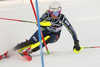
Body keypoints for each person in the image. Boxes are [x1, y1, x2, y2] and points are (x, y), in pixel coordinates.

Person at [0, 2, 81, 60]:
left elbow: (72, 30)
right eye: (51, 12)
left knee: (47, 39)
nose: (53, 15)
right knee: (30, 42)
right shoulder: (46, 15)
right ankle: (10, 52)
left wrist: (76, 43)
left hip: (54, 35)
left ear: (59, 12)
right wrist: (45, 24)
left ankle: (28, 51)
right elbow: (38, 22)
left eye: (56, 13)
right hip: (44, 31)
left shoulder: (62, 18)